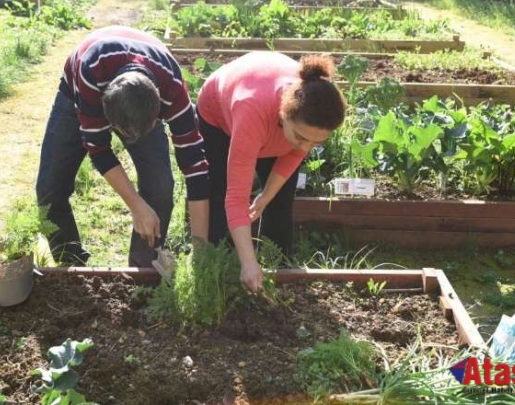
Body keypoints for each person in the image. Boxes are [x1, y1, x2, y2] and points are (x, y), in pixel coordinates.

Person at [36, 26, 209, 267]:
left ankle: (144, 271)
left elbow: (196, 168)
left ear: (157, 110)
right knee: (49, 190)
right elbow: (98, 149)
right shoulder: (91, 71)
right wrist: (137, 206)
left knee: (160, 187)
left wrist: (201, 251)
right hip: (81, 86)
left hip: (145, 82)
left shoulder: (173, 90)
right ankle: (71, 266)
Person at [196, 51, 346, 292]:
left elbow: (295, 152)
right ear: (284, 116)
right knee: (220, 191)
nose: (306, 148)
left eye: (316, 143)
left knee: (281, 200)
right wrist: (248, 262)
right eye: (302, 137)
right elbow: (236, 197)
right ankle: (223, 269)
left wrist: (265, 196)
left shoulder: (312, 112)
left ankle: (281, 270)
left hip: (269, 112)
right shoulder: (252, 110)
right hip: (219, 117)